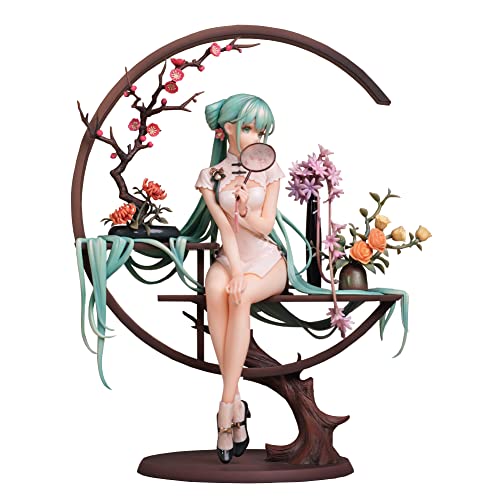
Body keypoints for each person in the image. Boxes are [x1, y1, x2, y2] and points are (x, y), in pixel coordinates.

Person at [194, 94, 288, 463]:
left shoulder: (269, 170)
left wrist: (244, 209)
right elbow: (224, 229)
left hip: (266, 260)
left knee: (240, 295)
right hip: (231, 257)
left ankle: (226, 407)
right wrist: (234, 268)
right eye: (248, 128)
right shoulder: (210, 176)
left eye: (261, 131)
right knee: (216, 287)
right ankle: (236, 404)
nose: (255, 137)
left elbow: (264, 227)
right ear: (227, 128)